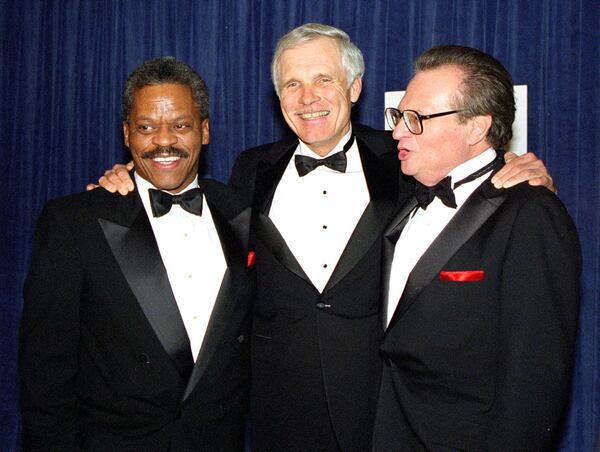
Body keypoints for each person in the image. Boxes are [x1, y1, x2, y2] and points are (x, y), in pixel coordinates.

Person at [96, 25, 555, 451]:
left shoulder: (404, 158)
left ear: (355, 89)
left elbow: (469, 188)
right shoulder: (249, 170)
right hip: (277, 413)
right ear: (278, 98)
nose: (307, 97)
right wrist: (129, 183)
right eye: (292, 84)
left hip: (382, 412)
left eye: (323, 80)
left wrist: (517, 170)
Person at [20, 57, 253, 451]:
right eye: (147, 128)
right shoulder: (74, 222)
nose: (164, 141)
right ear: (127, 135)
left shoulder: (242, 212)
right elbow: (45, 373)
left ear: (205, 131)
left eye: (180, 126)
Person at [373, 45, 581, 451]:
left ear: (476, 127)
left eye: (415, 119)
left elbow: (534, 381)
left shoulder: (531, 214)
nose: (397, 131)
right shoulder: (403, 194)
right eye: (398, 117)